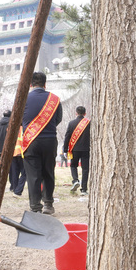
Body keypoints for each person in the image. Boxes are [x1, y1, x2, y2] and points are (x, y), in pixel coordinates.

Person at [20, 71, 62, 214]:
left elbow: (18, 121)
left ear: (30, 84)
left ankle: (35, 207)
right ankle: (48, 204)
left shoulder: (23, 99)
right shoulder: (55, 99)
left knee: (33, 175)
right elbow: (58, 119)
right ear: (45, 84)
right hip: (50, 140)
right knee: (48, 172)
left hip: (31, 141)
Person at [63, 105, 90, 195]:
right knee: (85, 169)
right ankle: (84, 189)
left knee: (73, 166)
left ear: (76, 113)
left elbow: (67, 137)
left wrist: (65, 150)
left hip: (74, 149)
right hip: (86, 149)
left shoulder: (71, 123)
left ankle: (75, 180)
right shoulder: (89, 123)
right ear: (85, 114)